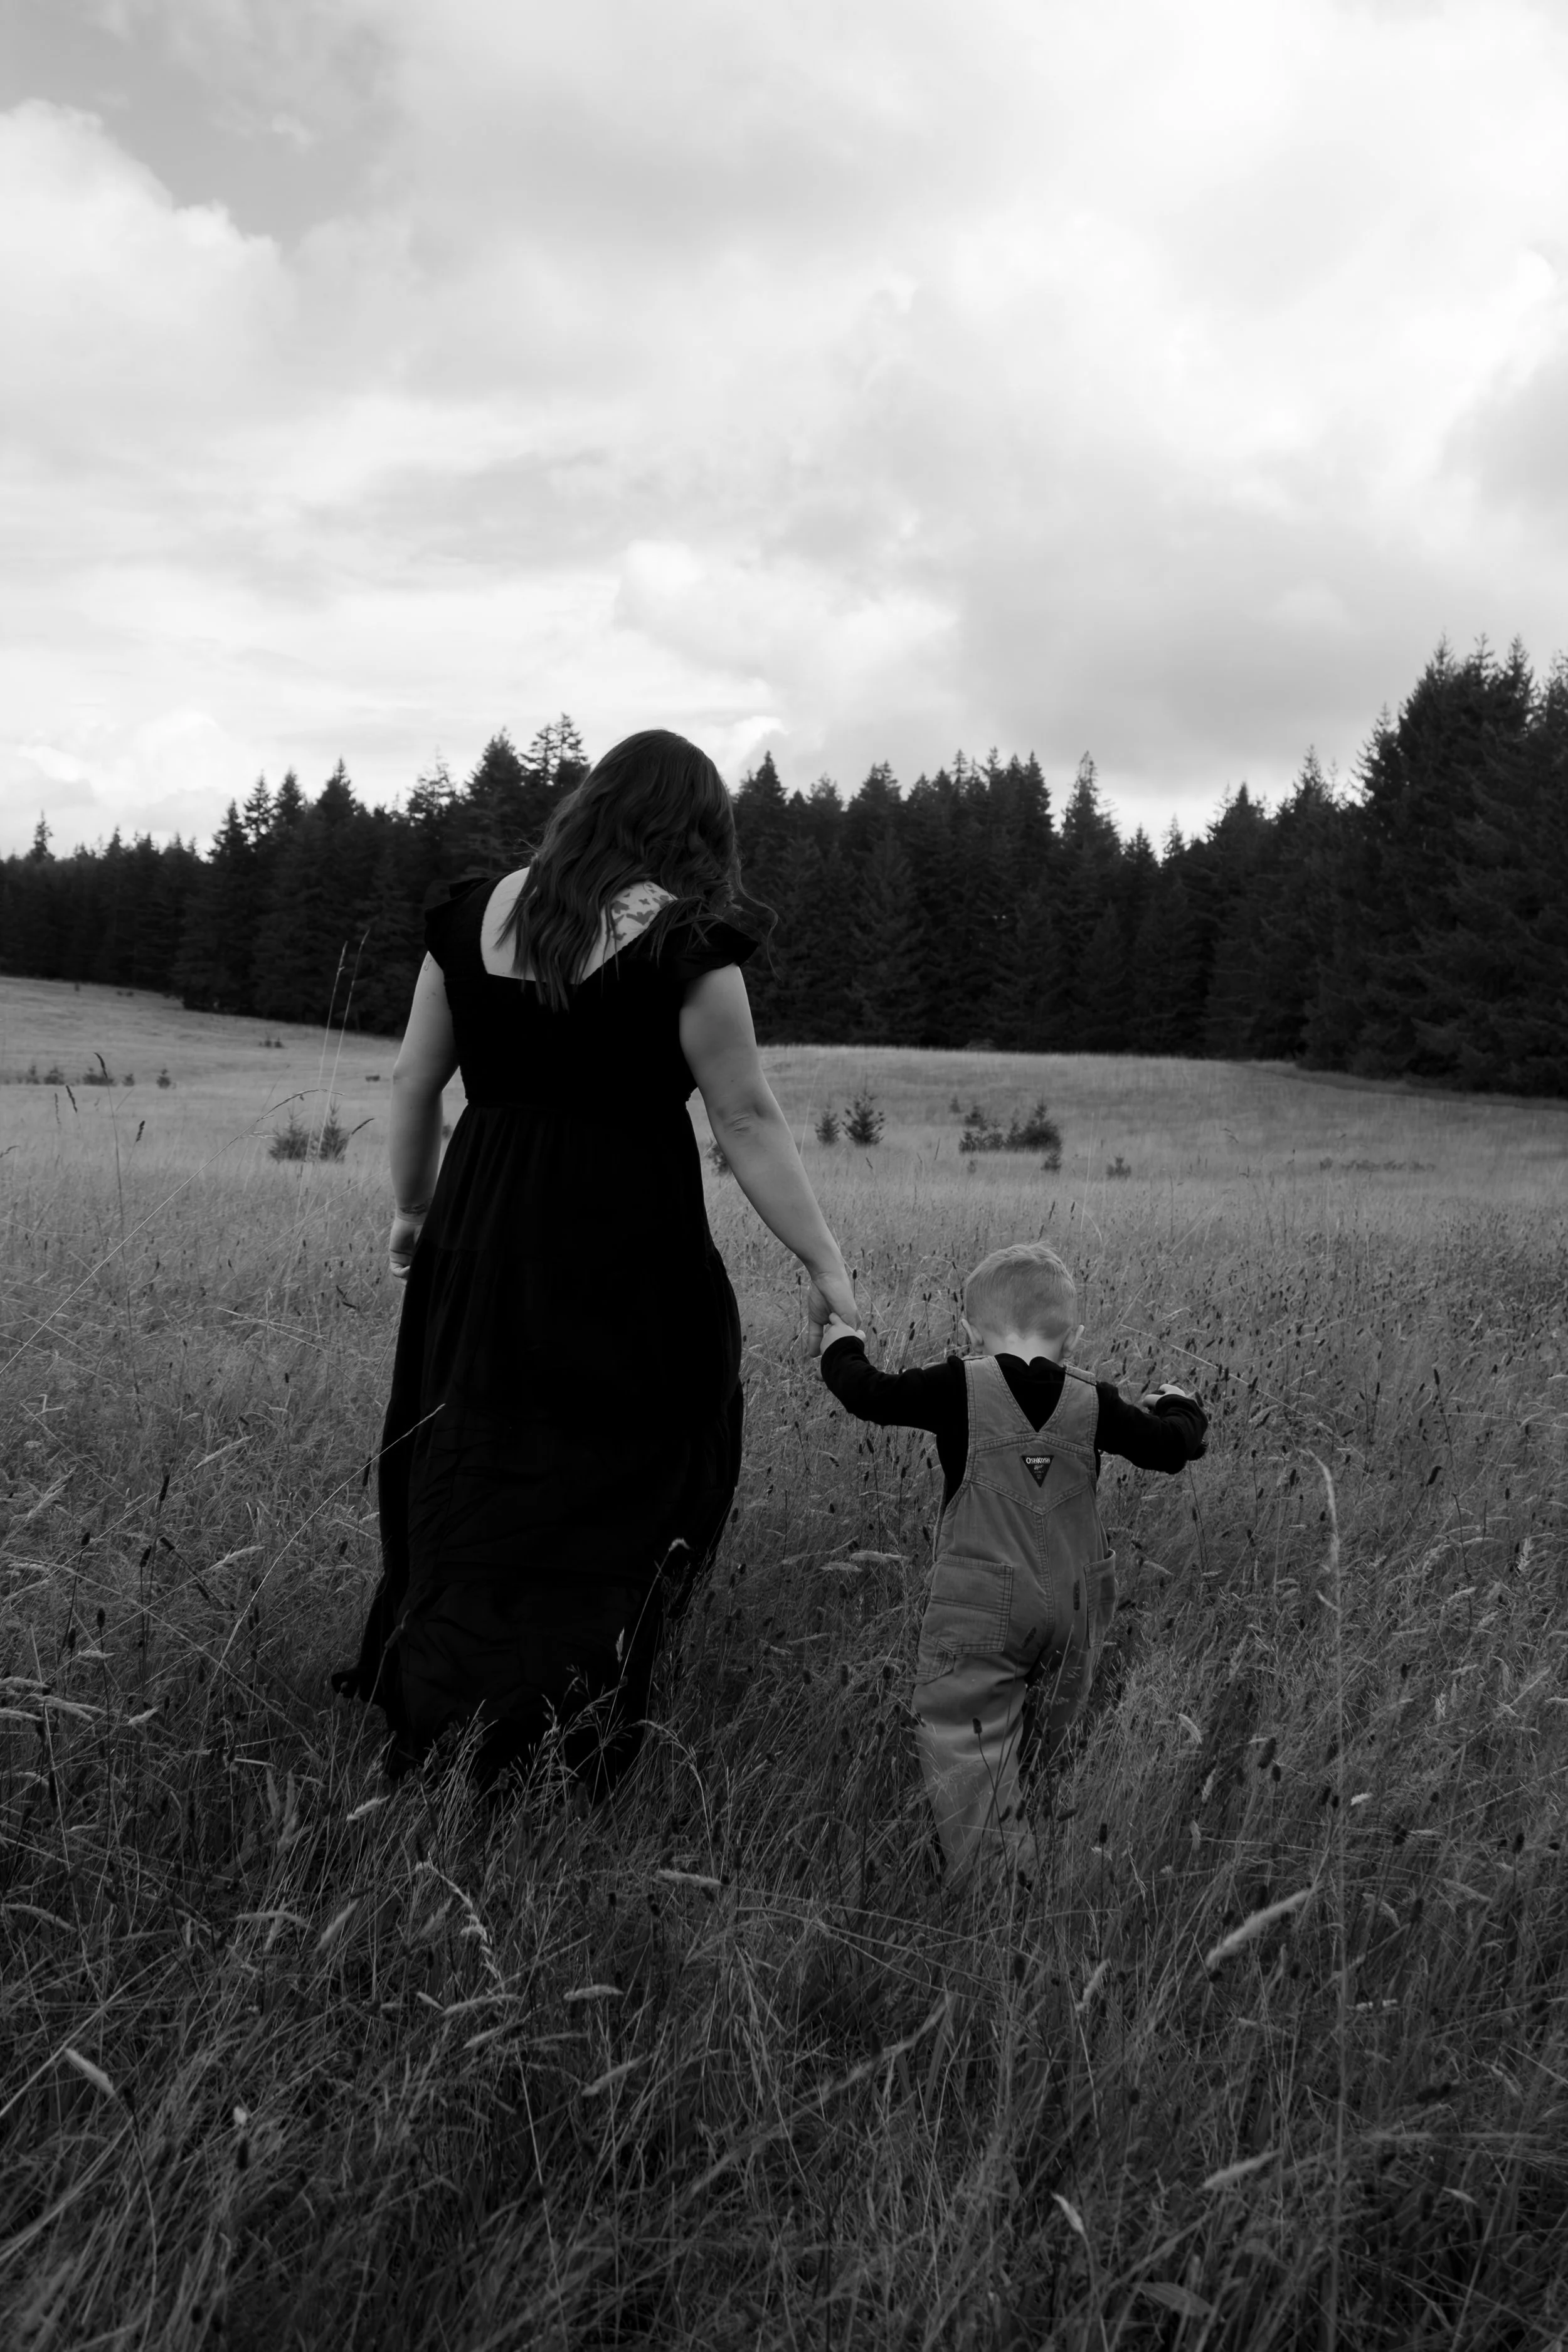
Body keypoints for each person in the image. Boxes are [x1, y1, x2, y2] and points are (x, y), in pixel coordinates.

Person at [334, 729, 858, 1793]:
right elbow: (745, 1119)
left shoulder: (471, 914)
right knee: (627, 1460)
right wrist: (824, 1260)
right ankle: (561, 1718)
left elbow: (413, 1083)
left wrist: (413, 1211)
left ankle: (450, 1705)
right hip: (625, 1239)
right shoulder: (687, 940)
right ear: (694, 831)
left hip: (480, 1228)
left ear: (591, 803)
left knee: (473, 1453)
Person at [819, 1241, 1206, 1881]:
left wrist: (843, 1344)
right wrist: (1178, 1404)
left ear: (971, 1332)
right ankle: (1050, 1838)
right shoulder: (1094, 1401)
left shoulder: (957, 1386)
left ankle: (999, 1886)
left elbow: (868, 1393)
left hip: (982, 1605)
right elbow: (1171, 1447)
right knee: (1052, 1742)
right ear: (1073, 1337)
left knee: (968, 1742)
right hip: (1076, 1607)